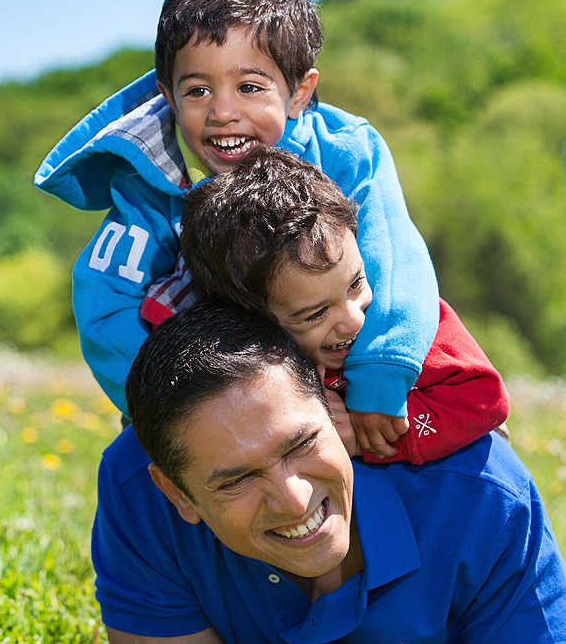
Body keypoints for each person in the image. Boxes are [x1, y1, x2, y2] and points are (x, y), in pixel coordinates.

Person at [92, 304, 566, 644]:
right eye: (238, 480)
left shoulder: (482, 492)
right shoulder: (135, 486)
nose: (294, 501)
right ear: (178, 493)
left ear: (333, 409)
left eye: (300, 445)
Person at [34, 0, 438, 457]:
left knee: (466, 416)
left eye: (249, 87)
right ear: (168, 96)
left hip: (352, 365)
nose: (223, 112)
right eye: (198, 90)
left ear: (299, 93)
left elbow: (394, 258)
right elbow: (106, 304)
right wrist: (193, 415)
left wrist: (378, 375)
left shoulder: (345, 153)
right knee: (129, 465)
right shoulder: (149, 187)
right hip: (212, 406)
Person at [152, 146, 510, 464]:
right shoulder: (252, 368)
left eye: (356, 283)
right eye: (316, 313)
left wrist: (362, 436)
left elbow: (484, 400)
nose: (354, 319)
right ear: (252, 318)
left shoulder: (404, 327)